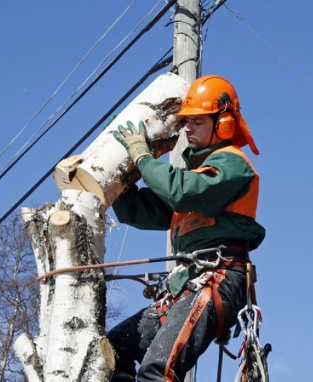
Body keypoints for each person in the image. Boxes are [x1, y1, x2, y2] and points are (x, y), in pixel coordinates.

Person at [107, 74, 265, 382]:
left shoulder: (232, 165)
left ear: (224, 123)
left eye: (197, 122)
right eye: (186, 122)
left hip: (218, 279)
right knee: (116, 348)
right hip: (188, 286)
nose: (187, 129)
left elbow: (182, 191)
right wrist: (120, 174)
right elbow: (140, 212)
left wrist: (142, 156)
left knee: (158, 370)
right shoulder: (190, 176)